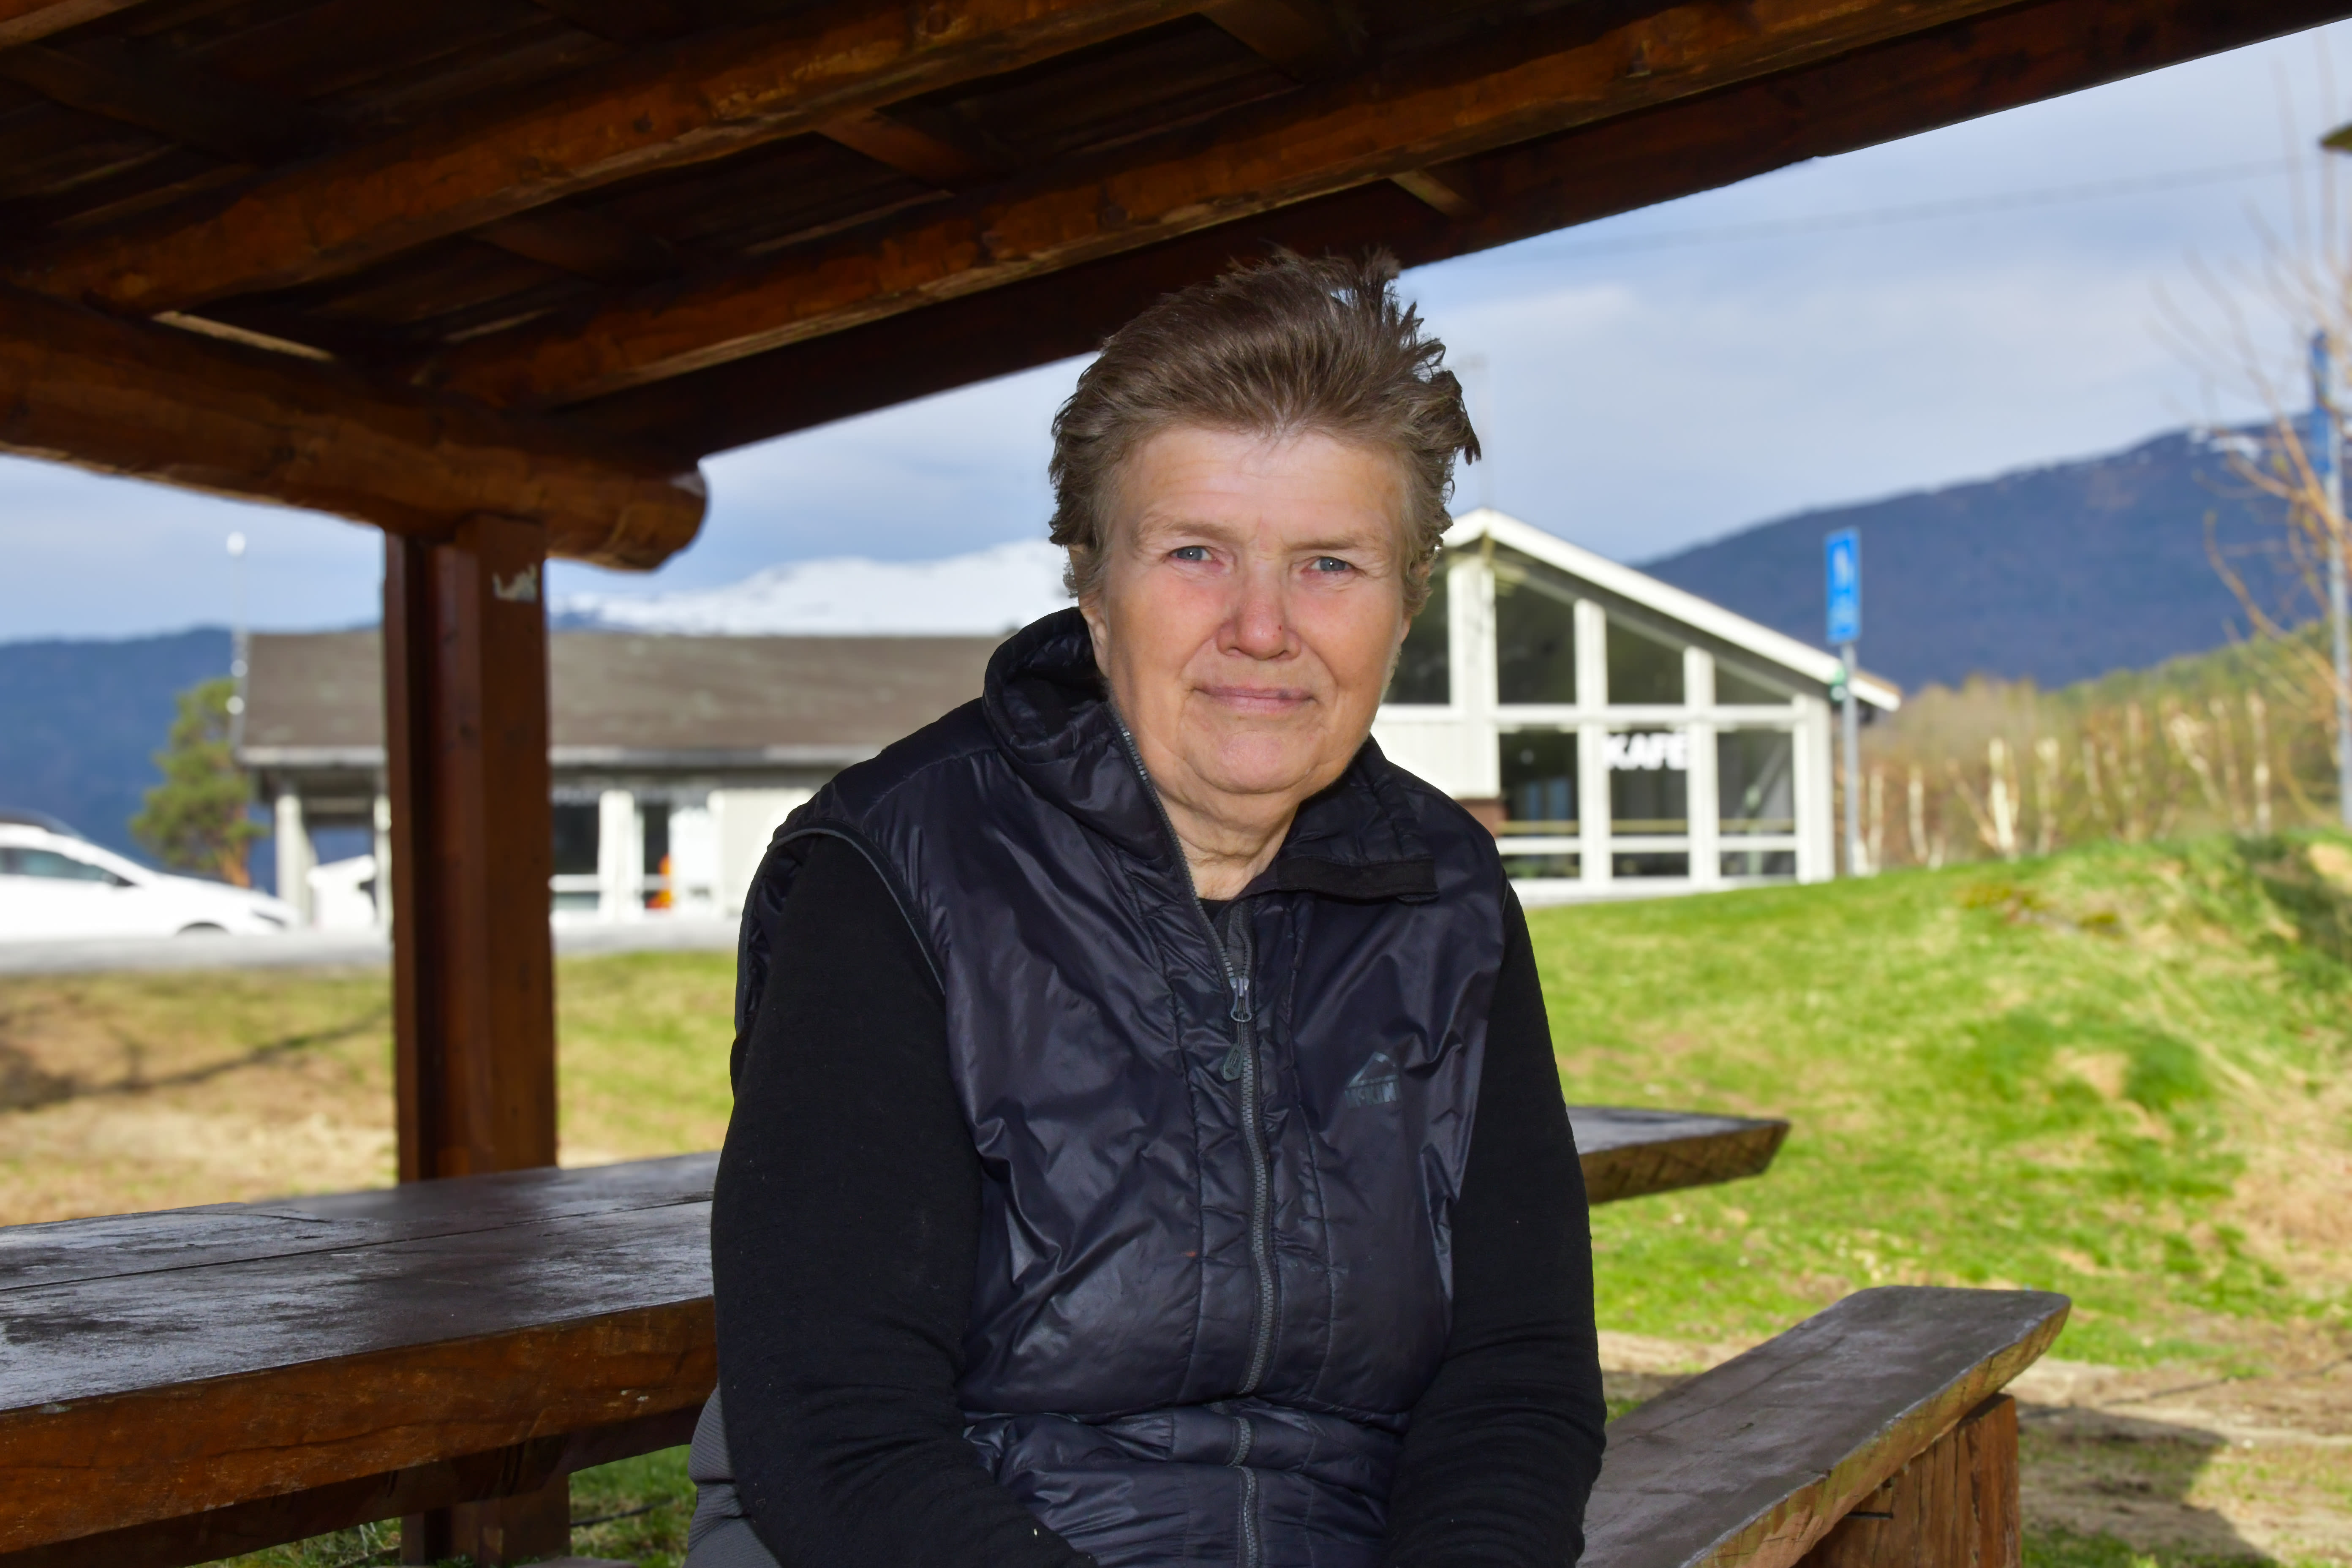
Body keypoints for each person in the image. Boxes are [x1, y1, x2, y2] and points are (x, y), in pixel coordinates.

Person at [687, 251, 1605, 1568]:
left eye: (1330, 564)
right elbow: (840, 1434)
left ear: (1407, 602)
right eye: (1195, 554)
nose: (1262, 627)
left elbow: (1516, 1380)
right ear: (1092, 583)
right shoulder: (897, 870)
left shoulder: (1446, 895)